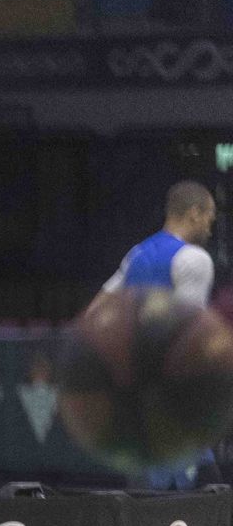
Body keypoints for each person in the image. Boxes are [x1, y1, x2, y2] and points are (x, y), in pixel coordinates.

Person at [92, 179, 223, 489]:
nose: (210, 227)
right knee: (205, 506)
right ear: (195, 213)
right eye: (209, 217)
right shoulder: (195, 260)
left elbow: (94, 315)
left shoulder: (136, 255)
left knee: (146, 515)